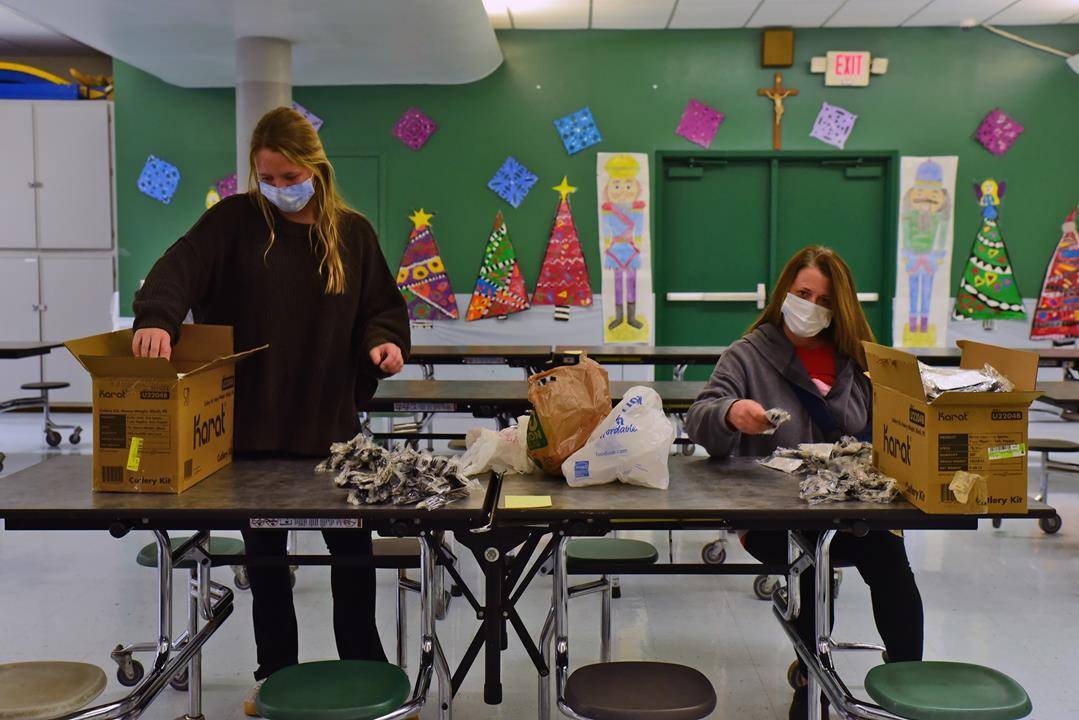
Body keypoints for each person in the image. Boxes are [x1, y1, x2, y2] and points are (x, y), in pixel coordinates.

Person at [131, 106, 410, 715]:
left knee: (354, 562)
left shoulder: (352, 234)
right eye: (268, 177)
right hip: (251, 435)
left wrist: (383, 343)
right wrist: (158, 317)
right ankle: (277, 677)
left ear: (316, 168)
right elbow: (176, 267)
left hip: (331, 432)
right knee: (268, 567)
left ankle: (364, 670)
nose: (281, 189)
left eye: (290, 176)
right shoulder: (233, 222)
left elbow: (381, 309)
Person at [684, 246, 923, 720]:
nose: (810, 305)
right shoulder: (747, 356)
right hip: (774, 518)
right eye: (802, 293)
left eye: (823, 299)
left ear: (840, 309)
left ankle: (911, 687)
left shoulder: (858, 362)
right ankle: (810, 691)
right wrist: (731, 414)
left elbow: (891, 432)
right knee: (812, 568)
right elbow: (698, 418)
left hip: (849, 513)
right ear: (784, 294)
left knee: (892, 565)